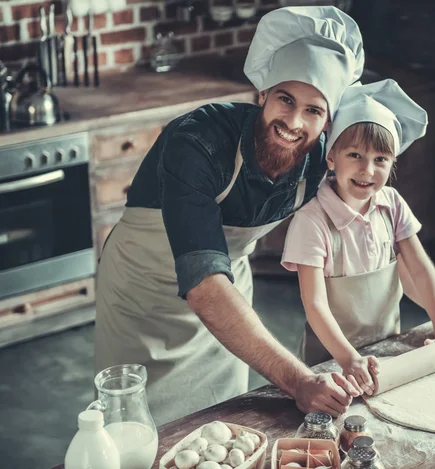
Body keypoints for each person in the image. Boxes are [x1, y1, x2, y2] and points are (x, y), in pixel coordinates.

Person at [94, 6, 367, 426]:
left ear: (327, 121)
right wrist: (298, 381)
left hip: (228, 307)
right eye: (285, 100)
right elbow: (203, 286)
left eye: (313, 110)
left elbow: (383, 221)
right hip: (140, 297)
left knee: (222, 427)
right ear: (263, 94)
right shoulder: (198, 140)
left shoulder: (317, 165)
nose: (293, 122)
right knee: (137, 429)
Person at [281, 80, 435, 395]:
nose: (368, 170)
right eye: (355, 155)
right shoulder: (312, 221)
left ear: (393, 163)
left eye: (381, 159)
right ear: (331, 158)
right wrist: (349, 359)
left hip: (387, 353)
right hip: (333, 363)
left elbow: (420, 270)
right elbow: (315, 304)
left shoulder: (391, 204)